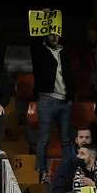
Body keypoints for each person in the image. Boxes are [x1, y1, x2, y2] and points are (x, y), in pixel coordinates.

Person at [30, 29, 75, 184]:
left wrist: (71, 97)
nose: (54, 37)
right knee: (43, 139)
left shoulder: (65, 51)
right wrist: (42, 24)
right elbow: (34, 42)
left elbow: (70, 75)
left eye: (56, 34)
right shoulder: (40, 51)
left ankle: (69, 172)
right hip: (46, 99)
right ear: (45, 35)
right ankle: (42, 173)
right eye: (51, 34)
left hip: (65, 101)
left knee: (66, 140)